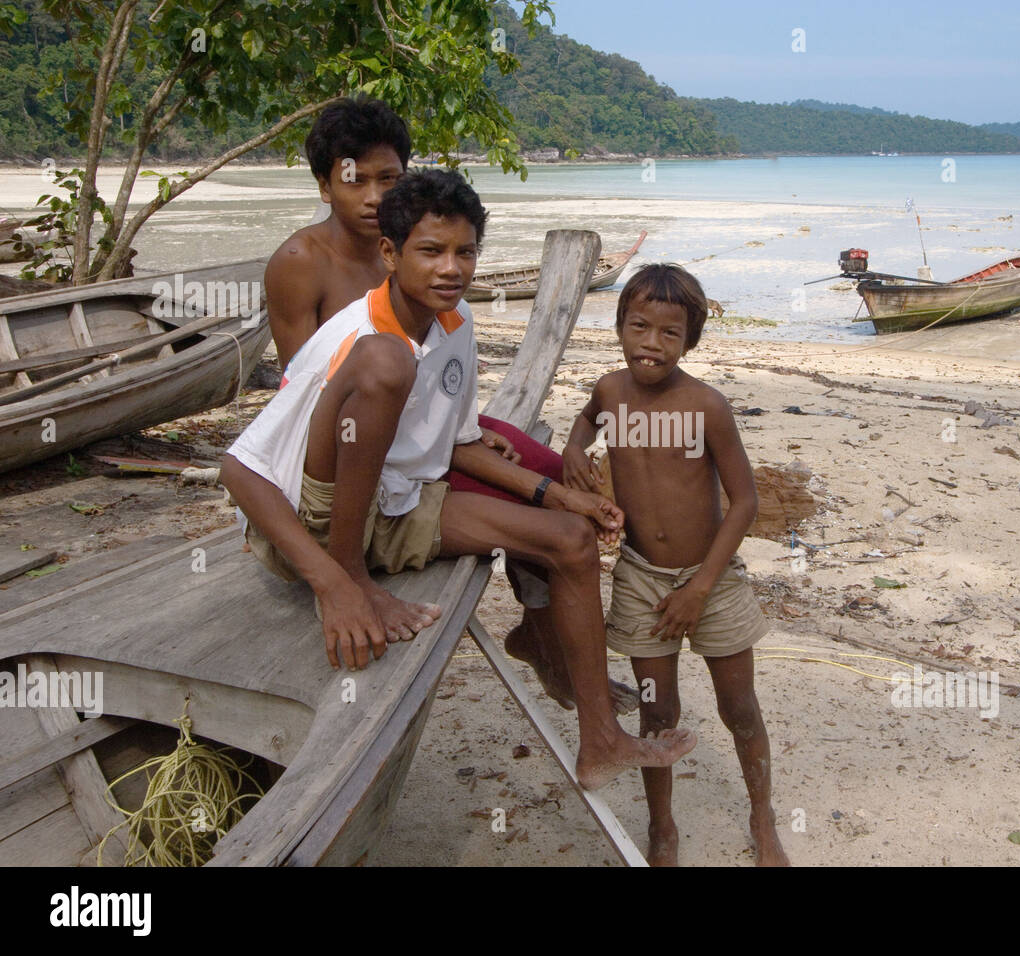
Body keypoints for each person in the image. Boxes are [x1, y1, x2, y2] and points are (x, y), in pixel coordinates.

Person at [221, 170, 696, 789]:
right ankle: (355, 571)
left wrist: (558, 494)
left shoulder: (456, 322)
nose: (451, 268)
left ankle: (601, 740)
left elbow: (454, 443)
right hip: (310, 521)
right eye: (430, 251)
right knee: (385, 362)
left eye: (465, 251)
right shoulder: (358, 335)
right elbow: (239, 470)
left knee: (572, 541)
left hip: (397, 504)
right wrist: (338, 584)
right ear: (389, 254)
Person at [263, 95, 633, 714]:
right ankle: (546, 641)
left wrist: (460, 431)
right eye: (355, 180)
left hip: (424, 419)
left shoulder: (424, 244)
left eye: (389, 178)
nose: (373, 195)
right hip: (359, 442)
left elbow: (442, 359)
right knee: (517, 494)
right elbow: (307, 391)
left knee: (542, 469)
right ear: (325, 186)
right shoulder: (303, 263)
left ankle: (541, 632)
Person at [562, 264, 789, 864]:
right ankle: (663, 827)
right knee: (658, 709)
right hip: (639, 576)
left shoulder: (707, 406)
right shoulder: (610, 392)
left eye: (670, 333)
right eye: (639, 327)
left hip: (710, 579)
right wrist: (572, 447)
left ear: (690, 340)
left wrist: (700, 588)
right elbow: (587, 418)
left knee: (738, 705)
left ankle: (762, 815)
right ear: (619, 327)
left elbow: (745, 502)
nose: (651, 344)